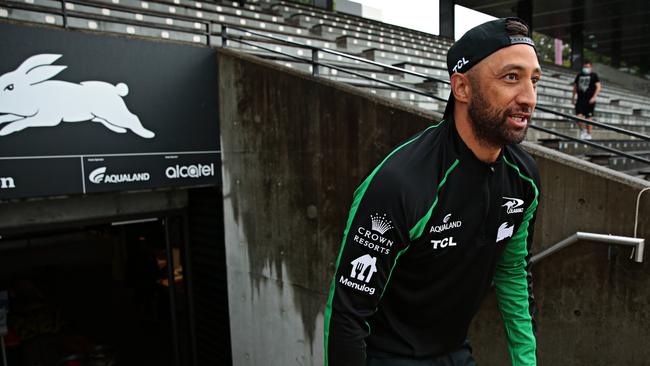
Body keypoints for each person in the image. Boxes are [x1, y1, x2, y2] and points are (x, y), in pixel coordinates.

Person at [324, 17, 541, 366]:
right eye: (511, 78)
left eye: (534, 80)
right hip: (389, 357)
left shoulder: (524, 178)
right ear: (462, 88)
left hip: (456, 352)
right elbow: (347, 314)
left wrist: (526, 362)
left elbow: (513, 269)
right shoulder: (401, 181)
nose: (528, 98)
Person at [572, 60, 601, 140]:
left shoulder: (594, 75)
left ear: (590, 67)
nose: (585, 68)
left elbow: (598, 87)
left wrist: (594, 97)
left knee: (589, 119)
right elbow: (575, 87)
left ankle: (588, 134)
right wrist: (573, 97)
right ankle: (583, 131)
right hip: (580, 100)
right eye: (584, 67)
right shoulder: (579, 75)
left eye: (587, 67)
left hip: (590, 100)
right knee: (578, 117)